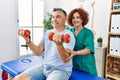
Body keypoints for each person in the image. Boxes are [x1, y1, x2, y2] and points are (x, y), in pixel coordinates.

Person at [14, 8, 75, 80]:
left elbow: (66, 59)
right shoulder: (48, 33)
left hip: (60, 70)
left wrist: (59, 45)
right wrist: (27, 40)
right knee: (18, 78)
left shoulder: (69, 35)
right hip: (45, 66)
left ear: (65, 19)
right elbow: (38, 52)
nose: (54, 19)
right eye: (53, 17)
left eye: (58, 17)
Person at [67, 7, 98, 76]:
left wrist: (75, 53)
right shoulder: (70, 31)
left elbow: (89, 49)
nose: (75, 20)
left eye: (78, 17)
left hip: (87, 66)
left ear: (82, 19)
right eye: (73, 18)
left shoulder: (88, 32)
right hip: (75, 65)